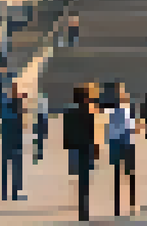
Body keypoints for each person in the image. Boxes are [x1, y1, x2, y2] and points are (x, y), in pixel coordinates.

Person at [63, 83, 103, 222]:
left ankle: (82, 209)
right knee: (84, 180)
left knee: (81, 180)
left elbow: (66, 132)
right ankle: (84, 210)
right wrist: (96, 149)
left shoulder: (69, 112)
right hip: (86, 148)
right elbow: (94, 133)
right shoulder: (90, 113)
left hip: (75, 148)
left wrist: (68, 147)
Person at [106, 83, 138, 216]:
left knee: (130, 173)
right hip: (117, 142)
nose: (121, 94)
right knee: (117, 174)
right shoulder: (110, 108)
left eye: (122, 91)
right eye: (119, 91)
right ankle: (117, 204)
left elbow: (133, 124)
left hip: (127, 142)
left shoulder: (130, 107)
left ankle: (132, 202)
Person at [0, 81, 28, 201]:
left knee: (6, 167)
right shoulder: (17, 106)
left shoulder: (4, 104)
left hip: (6, 138)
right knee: (16, 166)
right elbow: (20, 120)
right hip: (15, 139)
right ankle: (14, 193)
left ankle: (4, 193)